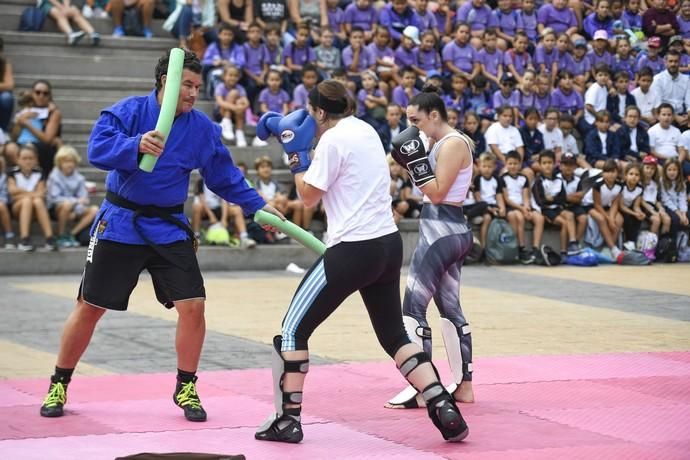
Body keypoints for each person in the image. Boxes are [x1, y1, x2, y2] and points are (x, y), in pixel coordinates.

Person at [38, 49, 283, 421]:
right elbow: (96, 150)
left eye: (198, 87)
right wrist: (134, 145)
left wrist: (257, 207)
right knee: (90, 307)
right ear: (165, 83)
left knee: (194, 305)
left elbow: (224, 175)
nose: (192, 93)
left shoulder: (202, 129)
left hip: (168, 227)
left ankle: (186, 385)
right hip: (120, 223)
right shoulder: (128, 112)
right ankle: (59, 381)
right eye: (186, 85)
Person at [253, 81, 468, 443]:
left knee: (292, 331)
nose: (308, 117)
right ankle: (442, 405)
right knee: (394, 335)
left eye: (311, 111)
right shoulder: (366, 129)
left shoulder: (332, 141)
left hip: (353, 249)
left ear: (321, 112)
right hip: (387, 245)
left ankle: (287, 419)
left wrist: (295, 154)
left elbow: (306, 196)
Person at [383, 87, 477, 410]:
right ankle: (463, 387)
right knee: (449, 308)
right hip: (447, 230)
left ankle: (424, 387)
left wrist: (415, 164)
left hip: (442, 231)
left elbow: (436, 194)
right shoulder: (441, 143)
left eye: (416, 120)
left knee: (411, 307)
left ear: (433, 115)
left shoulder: (452, 144)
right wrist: (411, 162)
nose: (413, 127)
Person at [4, 80, 62, 175]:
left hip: (42, 147)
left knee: (31, 149)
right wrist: (20, 122)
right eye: (37, 92)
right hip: (22, 144)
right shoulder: (25, 110)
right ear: (32, 94)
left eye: (45, 93)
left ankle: (35, 176)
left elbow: (47, 139)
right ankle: (24, 174)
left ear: (49, 96)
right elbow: (14, 137)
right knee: (10, 148)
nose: (41, 96)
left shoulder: (53, 112)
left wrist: (27, 124)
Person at [7, 144, 57, 252]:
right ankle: (24, 239)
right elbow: (12, 192)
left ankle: (49, 238)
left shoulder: (39, 172)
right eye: (24, 158)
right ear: (18, 160)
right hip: (17, 208)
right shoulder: (12, 173)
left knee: (38, 201)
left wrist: (22, 193)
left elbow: (41, 193)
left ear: (36, 160)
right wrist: (31, 193)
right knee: (27, 201)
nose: (28, 161)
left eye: (31, 158)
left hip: (35, 208)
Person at [46, 145, 99, 248]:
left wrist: (76, 211)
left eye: (72, 162)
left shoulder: (79, 178)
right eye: (66, 162)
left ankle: (71, 234)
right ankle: (61, 235)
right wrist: (75, 202)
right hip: (56, 208)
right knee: (66, 205)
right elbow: (55, 198)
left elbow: (84, 199)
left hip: (74, 209)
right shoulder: (54, 176)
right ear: (60, 163)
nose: (69, 165)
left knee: (94, 210)